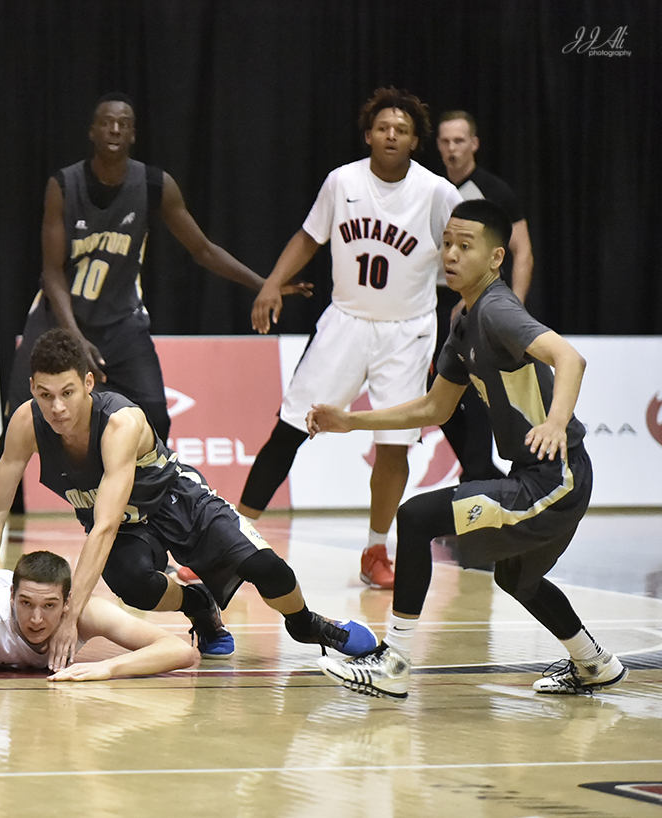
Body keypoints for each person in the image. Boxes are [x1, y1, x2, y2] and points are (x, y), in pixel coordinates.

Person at [309, 200, 625, 699]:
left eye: (465, 245)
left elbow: (570, 357)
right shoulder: (465, 321)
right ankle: (594, 662)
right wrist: (351, 421)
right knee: (517, 579)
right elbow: (435, 408)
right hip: (543, 474)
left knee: (416, 517)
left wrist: (557, 422)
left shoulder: (498, 310)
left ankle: (393, 663)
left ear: (497, 258)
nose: (451, 254)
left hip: (554, 477)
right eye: (447, 244)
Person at [0, 327, 377, 670]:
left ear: (88, 383)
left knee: (267, 568)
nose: (58, 407)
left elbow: (101, 527)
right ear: (32, 388)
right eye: (46, 395)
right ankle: (199, 604)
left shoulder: (120, 423)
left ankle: (306, 624)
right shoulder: (25, 423)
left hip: (175, 500)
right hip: (124, 526)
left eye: (67, 392)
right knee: (135, 586)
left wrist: (70, 620)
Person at [0, 92, 311, 502]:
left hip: (121, 323)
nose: (115, 128)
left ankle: (151, 509)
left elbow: (203, 249)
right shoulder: (64, 185)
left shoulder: (155, 184)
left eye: (124, 122)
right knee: (20, 420)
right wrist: (75, 340)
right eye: (107, 121)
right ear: (92, 131)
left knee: (154, 414)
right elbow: (51, 273)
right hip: (58, 320)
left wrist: (264, 281)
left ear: (134, 133)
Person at [237, 87, 462, 590]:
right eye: (383, 127)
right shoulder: (342, 181)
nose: (391, 135)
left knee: (394, 447)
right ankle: (230, 539)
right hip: (346, 322)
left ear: (414, 142)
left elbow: (463, 246)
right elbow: (308, 236)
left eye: (401, 130)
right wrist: (272, 283)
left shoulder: (437, 193)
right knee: (291, 428)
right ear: (368, 134)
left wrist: (473, 298)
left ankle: (376, 549)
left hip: (407, 332)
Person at [0, 550, 200, 683]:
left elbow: (181, 651)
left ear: (67, 604)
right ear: (12, 598)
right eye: (26, 603)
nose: (35, 619)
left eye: (49, 607)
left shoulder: (86, 613)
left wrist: (108, 667)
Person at [436, 110, 536, 482]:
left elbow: (522, 250)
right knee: (435, 385)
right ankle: (478, 469)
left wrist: (513, 306)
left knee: (476, 385)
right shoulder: (433, 189)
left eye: (458, 141)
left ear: (474, 144)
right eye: (444, 142)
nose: (451, 149)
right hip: (434, 301)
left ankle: (476, 471)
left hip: (478, 299)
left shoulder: (494, 192)